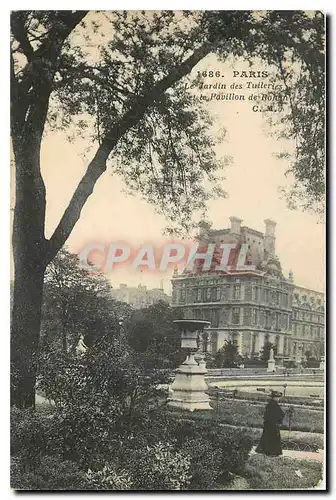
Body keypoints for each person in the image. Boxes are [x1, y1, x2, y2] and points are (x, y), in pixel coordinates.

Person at [256, 392, 285, 456]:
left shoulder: (271, 404)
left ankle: (266, 450)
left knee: (267, 437)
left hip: (269, 424)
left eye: (278, 397)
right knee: (272, 438)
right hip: (272, 424)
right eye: (277, 397)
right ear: (274, 398)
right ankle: (272, 452)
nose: (278, 399)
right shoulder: (273, 405)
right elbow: (280, 414)